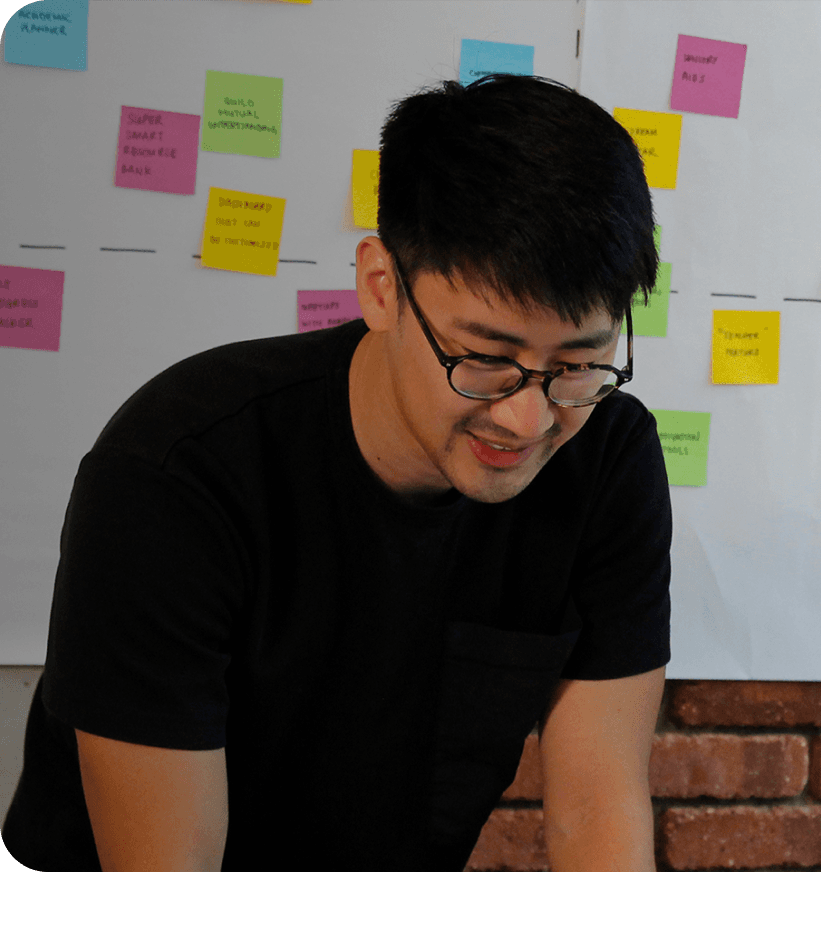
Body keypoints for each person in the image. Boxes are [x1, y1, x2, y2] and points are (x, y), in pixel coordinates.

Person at [2, 75, 671, 872]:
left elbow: (598, 810)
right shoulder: (176, 474)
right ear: (381, 286)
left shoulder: (606, 455)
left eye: (578, 363)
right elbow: (163, 884)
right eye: (485, 361)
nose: (529, 420)